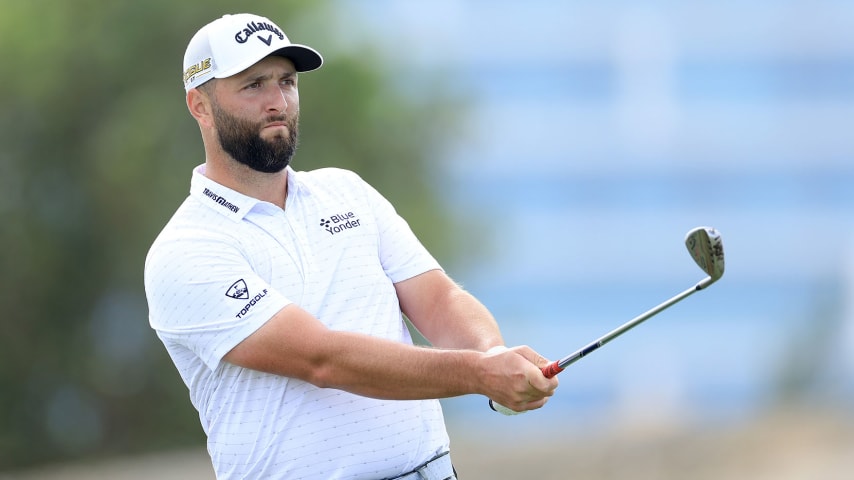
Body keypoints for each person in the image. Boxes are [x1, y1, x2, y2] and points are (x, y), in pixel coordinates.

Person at [144, 12, 559, 480]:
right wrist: (479, 374)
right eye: (253, 85)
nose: (278, 102)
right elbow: (322, 359)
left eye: (287, 82)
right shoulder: (186, 248)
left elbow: (438, 298)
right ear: (200, 106)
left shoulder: (346, 192)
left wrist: (493, 357)